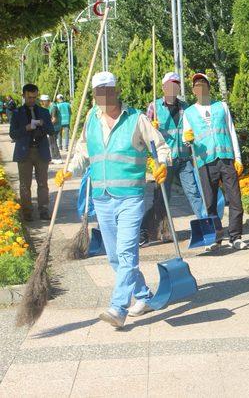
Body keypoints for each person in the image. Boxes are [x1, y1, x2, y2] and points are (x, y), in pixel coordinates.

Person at [55, 71, 170, 328]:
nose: (104, 96)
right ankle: (143, 295)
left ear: (116, 91)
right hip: (102, 198)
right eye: (99, 92)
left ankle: (118, 307)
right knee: (115, 258)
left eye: (108, 90)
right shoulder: (91, 121)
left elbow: (161, 146)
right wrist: (69, 170)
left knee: (127, 251)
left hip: (130, 197)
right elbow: (82, 153)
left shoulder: (136, 119)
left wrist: (162, 163)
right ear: (95, 96)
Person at [182, 73, 247, 251]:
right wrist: (187, 139)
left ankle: (235, 237)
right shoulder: (188, 113)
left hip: (226, 159)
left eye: (203, 84)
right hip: (205, 162)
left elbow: (231, 131)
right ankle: (215, 238)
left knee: (235, 199)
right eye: (196, 85)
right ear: (194, 91)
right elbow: (186, 138)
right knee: (209, 202)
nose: (200, 87)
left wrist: (238, 158)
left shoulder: (222, 107)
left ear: (209, 87)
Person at [139, 72, 205, 245]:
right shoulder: (154, 107)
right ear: (163, 87)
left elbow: (192, 127)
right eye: (169, 85)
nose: (172, 88)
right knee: (161, 197)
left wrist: (192, 136)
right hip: (165, 160)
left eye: (176, 85)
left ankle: (205, 226)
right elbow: (145, 134)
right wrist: (152, 126)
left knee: (194, 193)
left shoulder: (185, 107)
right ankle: (148, 229)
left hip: (184, 158)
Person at [9, 84, 56, 221]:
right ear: (23, 95)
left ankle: (43, 210)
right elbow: (13, 134)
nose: (32, 100)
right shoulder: (17, 113)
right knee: (25, 184)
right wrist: (26, 128)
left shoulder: (44, 112)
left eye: (35, 97)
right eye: (29, 97)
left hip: (41, 151)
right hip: (24, 152)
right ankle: (27, 211)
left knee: (43, 183)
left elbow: (52, 131)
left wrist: (43, 124)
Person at [40, 94, 63, 164]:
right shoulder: (49, 107)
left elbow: (54, 119)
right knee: (51, 142)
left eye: (42, 102)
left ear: (46, 101)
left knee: (53, 142)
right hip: (52, 127)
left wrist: (46, 126)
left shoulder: (53, 107)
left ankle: (57, 158)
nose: (42, 104)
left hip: (55, 127)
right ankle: (53, 157)